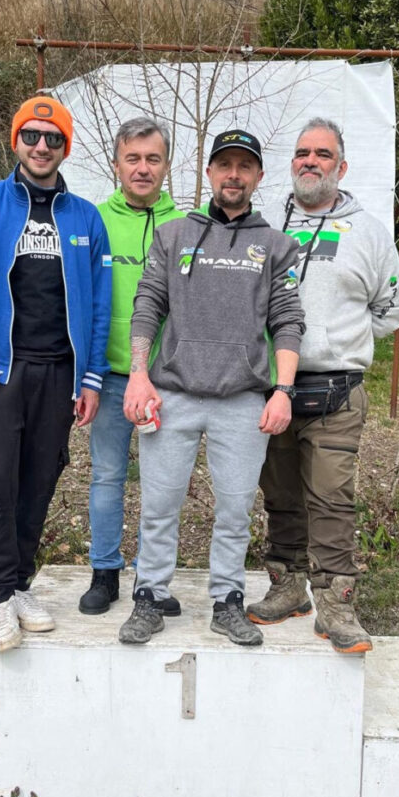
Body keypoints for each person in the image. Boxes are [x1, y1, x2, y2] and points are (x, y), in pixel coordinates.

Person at [0, 96, 112, 653]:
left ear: (66, 147)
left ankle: (19, 585)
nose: (41, 146)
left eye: (52, 138)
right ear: (15, 141)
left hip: (59, 372)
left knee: (39, 480)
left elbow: (101, 304)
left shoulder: (85, 217)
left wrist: (91, 379)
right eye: (32, 136)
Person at [118, 130, 305, 647]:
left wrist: (282, 391)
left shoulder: (276, 245)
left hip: (244, 401)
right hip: (172, 395)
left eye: (245, 166)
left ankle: (227, 601)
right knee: (158, 505)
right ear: (209, 174)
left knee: (234, 509)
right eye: (224, 165)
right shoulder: (173, 235)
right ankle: (150, 597)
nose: (234, 175)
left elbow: (289, 321)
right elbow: (148, 305)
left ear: (258, 177)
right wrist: (139, 373)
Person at [246, 117, 399, 654]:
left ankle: (336, 603)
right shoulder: (265, 222)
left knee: (332, 499)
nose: (309, 161)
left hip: (337, 389)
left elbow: (393, 306)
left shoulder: (368, 232)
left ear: (341, 167)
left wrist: (344, 339)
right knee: (282, 495)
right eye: (301, 153)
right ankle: (287, 586)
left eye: (322, 154)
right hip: (273, 388)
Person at [79, 117, 185, 616]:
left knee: (161, 484)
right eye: (133, 158)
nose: (143, 169)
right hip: (110, 376)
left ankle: (151, 578)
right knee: (107, 477)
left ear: (167, 165)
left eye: (153, 159)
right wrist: (87, 371)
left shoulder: (188, 226)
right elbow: (81, 302)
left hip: (167, 379)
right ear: (117, 163)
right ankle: (105, 573)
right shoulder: (95, 220)